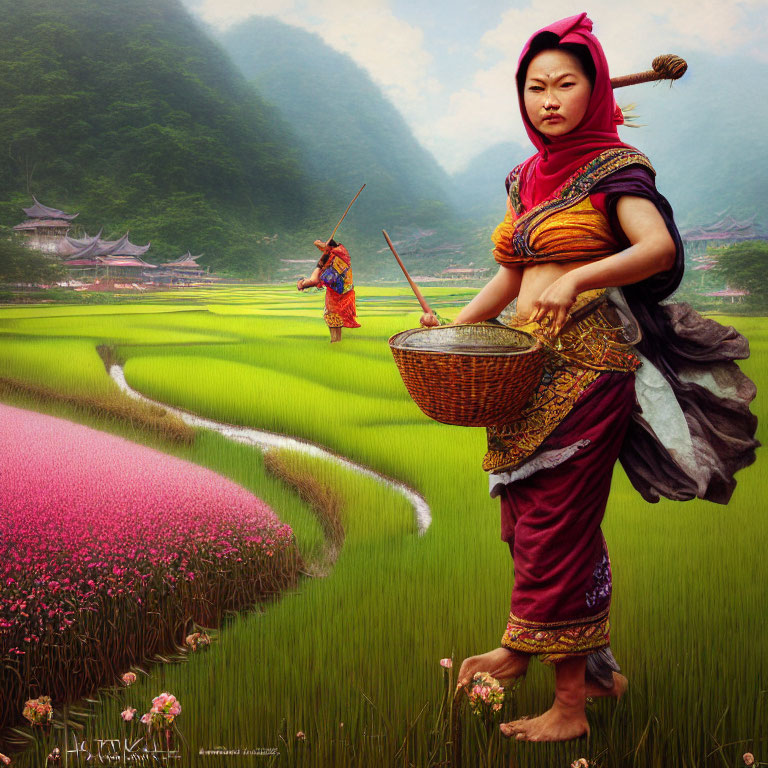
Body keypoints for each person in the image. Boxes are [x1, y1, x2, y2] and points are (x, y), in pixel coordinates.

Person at [421, 13, 757, 742]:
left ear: (595, 88)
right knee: (524, 520)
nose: (548, 99)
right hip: (523, 367)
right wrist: (452, 328)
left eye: (566, 84)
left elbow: (655, 247)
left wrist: (577, 280)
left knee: (556, 527)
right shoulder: (526, 176)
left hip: (590, 364)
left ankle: (568, 707)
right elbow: (510, 273)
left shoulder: (616, 169)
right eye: (535, 86)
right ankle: (582, 668)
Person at [297, 238, 360, 342]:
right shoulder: (336, 256)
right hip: (340, 293)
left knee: (333, 316)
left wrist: (303, 283)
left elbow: (315, 280)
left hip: (339, 295)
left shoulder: (336, 255)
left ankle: (335, 341)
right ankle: (336, 341)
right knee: (335, 317)